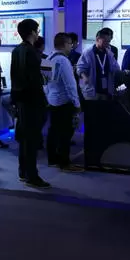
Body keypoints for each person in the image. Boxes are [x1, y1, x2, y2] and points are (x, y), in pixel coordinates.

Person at [11, 19, 50, 189]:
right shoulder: (32, 52)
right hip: (33, 101)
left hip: (21, 101)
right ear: (33, 32)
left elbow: (14, 77)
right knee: (32, 140)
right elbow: (35, 80)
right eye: (37, 30)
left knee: (24, 139)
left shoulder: (16, 50)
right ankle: (32, 176)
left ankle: (23, 171)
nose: (38, 33)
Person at [46, 33, 83, 172]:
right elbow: (70, 84)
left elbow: (44, 82)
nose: (71, 47)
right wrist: (77, 104)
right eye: (70, 44)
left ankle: (52, 159)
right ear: (65, 44)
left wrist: (48, 97)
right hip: (64, 102)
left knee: (53, 132)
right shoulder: (63, 60)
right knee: (65, 134)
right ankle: (65, 163)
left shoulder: (48, 58)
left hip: (52, 101)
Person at [77, 28, 121, 101]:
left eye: (109, 41)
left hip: (106, 91)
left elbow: (116, 68)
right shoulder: (88, 53)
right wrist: (84, 77)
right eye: (105, 41)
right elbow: (80, 67)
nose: (107, 44)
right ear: (98, 39)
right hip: (92, 90)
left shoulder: (109, 53)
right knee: (92, 108)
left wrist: (120, 72)